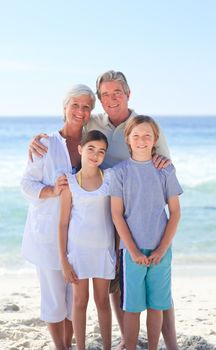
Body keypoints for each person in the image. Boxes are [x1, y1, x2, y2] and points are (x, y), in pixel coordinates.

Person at [29, 70, 176, 349]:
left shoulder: (143, 126)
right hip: (112, 216)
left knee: (158, 287)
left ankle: (171, 344)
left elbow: (164, 166)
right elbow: (71, 131)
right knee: (114, 282)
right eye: (105, 94)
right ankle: (123, 339)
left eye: (116, 92)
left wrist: (161, 168)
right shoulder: (94, 121)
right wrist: (38, 140)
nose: (111, 99)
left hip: (144, 218)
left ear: (128, 94)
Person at [21, 84, 96, 350]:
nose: (80, 111)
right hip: (48, 235)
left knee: (73, 299)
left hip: (79, 236)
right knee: (54, 299)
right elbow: (26, 184)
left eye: (86, 106)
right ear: (64, 107)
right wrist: (52, 190)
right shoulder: (45, 144)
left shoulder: (92, 145)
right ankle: (61, 347)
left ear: (91, 113)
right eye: (75, 105)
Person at [110, 115, 183, 350]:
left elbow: (175, 213)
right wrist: (131, 251)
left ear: (155, 139)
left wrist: (162, 248)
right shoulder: (119, 172)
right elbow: (116, 215)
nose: (142, 140)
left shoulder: (165, 170)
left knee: (157, 305)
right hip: (131, 251)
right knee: (132, 306)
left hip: (161, 250)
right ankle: (129, 345)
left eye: (147, 136)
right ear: (128, 140)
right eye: (136, 136)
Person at [59, 130, 116, 350]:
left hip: (104, 250)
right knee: (80, 301)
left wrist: (118, 252)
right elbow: (63, 223)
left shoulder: (110, 178)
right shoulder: (70, 182)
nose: (95, 154)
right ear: (80, 149)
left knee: (102, 302)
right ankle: (80, 347)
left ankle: (107, 347)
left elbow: (116, 216)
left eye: (101, 151)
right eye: (91, 148)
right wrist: (63, 260)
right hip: (78, 252)